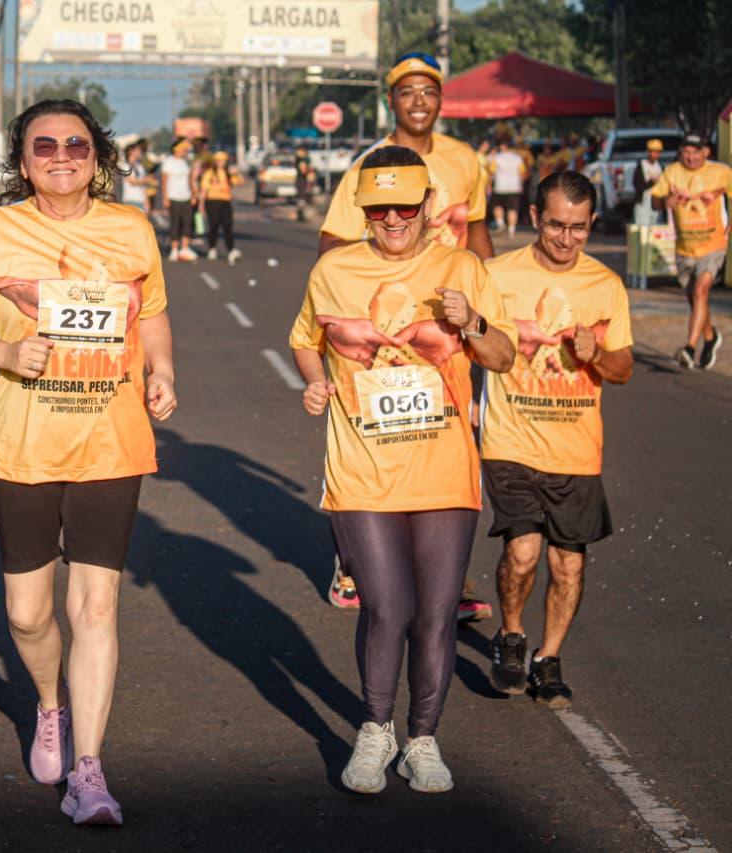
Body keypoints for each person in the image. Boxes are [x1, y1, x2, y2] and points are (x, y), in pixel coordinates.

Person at [0, 99, 177, 827]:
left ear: (98, 155)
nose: (62, 155)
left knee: (95, 607)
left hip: (112, 440)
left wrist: (161, 368)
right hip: (26, 445)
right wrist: (5, 352)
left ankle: (89, 772)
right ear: (23, 159)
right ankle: (50, 704)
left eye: (76, 143)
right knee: (28, 613)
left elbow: (154, 310)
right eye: (45, 145)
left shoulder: (131, 229)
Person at [291, 146, 516, 795]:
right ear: (363, 208)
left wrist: (469, 322)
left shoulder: (460, 265)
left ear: (426, 206)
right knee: (387, 605)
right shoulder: (334, 269)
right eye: (377, 207)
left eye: (404, 206)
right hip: (362, 467)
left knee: (436, 612)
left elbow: (501, 356)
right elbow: (307, 340)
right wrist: (314, 385)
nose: (391, 218)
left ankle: (421, 737)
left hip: (444, 465)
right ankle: (374, 729)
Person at [317, 50, 495, 619]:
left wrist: (487, 309)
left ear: (441, 101)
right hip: (379, 322)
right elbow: (332, 248)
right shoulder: (367, 166)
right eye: (407, 92)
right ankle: (353, 556)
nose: (419, 102)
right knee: (376, 434)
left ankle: (451, 574)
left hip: (448, 329)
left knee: (452, 440)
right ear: (390, 101)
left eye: (429, 91)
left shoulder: (466, 160)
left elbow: (479, 237)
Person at [482, 171, 633, 708]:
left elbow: (623, 369)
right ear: (533, 219)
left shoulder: (606, 286)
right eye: (555, 226)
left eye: (578, 228)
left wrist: (597, 353)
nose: (566, 239)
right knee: (522, 551)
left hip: (576, 447)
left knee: (567, 562)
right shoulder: (496, 276)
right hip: (510, 439)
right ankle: (513, 634)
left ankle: (548, 658)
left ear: (592, 224)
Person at [650, 131, 731, 370]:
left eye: (696, 152)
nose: (690, 157)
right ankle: (710, 337)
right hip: (684, 247)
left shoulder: (721, 172)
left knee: (701, 289)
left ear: (706, 152)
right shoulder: (673, 171)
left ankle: (689, 347)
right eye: (686, 151)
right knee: (695, 298)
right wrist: (666, 203)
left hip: (714, 244)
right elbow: (654, 198)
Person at [198, 150, 242, 263]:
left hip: (225, 202)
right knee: (214, 226)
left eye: (222, 161)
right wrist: (201, 204)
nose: (220, 162)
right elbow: (203, 189)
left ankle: (231, 250)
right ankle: (212, 248)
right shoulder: (210, 172)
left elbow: (239, 182)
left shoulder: (228, 172)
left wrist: (236, 173)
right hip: (212, 201)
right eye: (218, 160)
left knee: (228, 226)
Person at [160, 138, 197, 261]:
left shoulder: (185, 163)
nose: (185, 151)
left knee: (187, 223)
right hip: (173, 197)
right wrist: (165, 197)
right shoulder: (169, 162)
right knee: (175, 224)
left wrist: (193, 195)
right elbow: (164, 182)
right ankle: (174, 250)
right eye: (183, 149)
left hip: (186, 197)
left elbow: (190, 180)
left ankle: (185, 248)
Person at [490, 137, 528, 239]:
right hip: (514, 187)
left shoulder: (497, 158)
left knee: (497, 205)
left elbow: (492, 172)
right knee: (513, 209)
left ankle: (501, 223)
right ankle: (511, 231)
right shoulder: (517, 158)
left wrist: (490, 184)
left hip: (500, 186)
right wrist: (521, 185)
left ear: (502, 146)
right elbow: (522, 173)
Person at [632, 138, 665, 228]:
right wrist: (651, 182)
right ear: (648, 152)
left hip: (656, 202)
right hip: (643, 202)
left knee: (656, 226)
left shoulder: (660, 166)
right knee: (643, 227)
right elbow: (637, 185)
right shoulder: (641, 165)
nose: (655, 154)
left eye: (658, 152)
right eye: (653, 152)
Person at [120, 141, 151, 215]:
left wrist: (147, 201)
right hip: (130, 200)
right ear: (131, 151)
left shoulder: (140, 167)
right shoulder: (125, 166)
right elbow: (132, 182)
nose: (140, 152)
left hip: (141, 201)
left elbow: (144, 187)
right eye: (138, 150)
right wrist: (147, 180)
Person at [294, 144, 318, 223]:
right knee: (302, 199)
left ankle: (302, 215)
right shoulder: (302, 159)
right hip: (302, 182)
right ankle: (302, 215)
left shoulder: (303, 159)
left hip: (304, 182)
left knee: (303, 199)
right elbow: (303, 170)